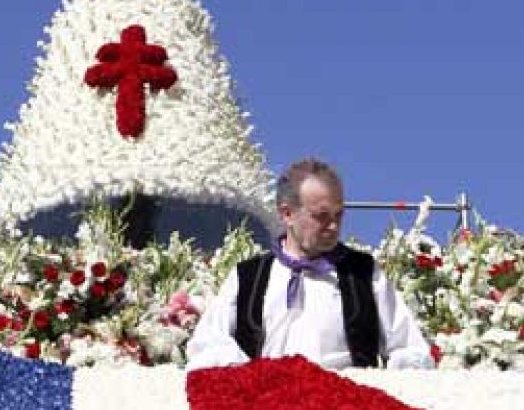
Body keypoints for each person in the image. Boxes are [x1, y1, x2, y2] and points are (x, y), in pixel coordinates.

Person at [186, 158, 436, 370]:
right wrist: (249, 376)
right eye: (321, 216)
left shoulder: (364, 273)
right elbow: (208, 345)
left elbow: (410, 349)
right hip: (266, 404)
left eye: (339, 215)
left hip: (346, 406)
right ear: (287, 214)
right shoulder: (247, 277)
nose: (333, 226)